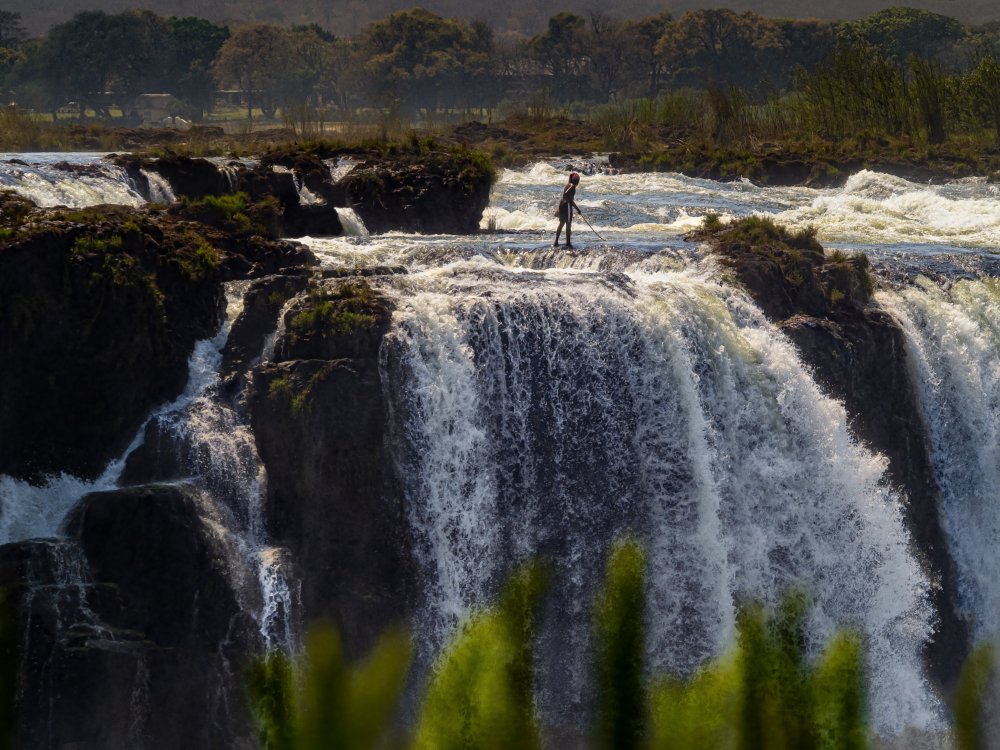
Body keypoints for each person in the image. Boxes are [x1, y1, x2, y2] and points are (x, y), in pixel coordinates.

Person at [553, 172, 581, 248]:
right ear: (576, 181)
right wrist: (576, 208)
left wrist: (577, 209)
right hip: (567, 207)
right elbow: (566, 194)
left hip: (562, 205)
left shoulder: (568, 184)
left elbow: (569, 198)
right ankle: (568, 243)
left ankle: (556, 242)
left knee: (561, 223)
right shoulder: (572, 186)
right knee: (568, 225)